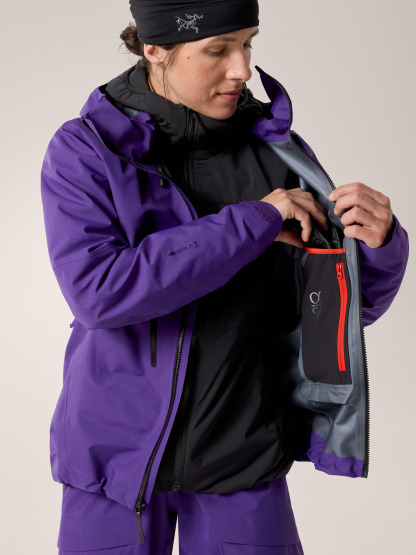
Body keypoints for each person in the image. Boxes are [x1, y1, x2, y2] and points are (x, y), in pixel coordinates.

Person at [40, 1, 409, 553]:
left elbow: (327, 316)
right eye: (217, 50)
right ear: (155, 50)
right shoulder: (87, 149)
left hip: (244, 454)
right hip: (115, 460)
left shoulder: (277, 155)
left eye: (248, 44)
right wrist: (253, 222)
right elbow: (100, 293)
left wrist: (379, 248)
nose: (242, 69)